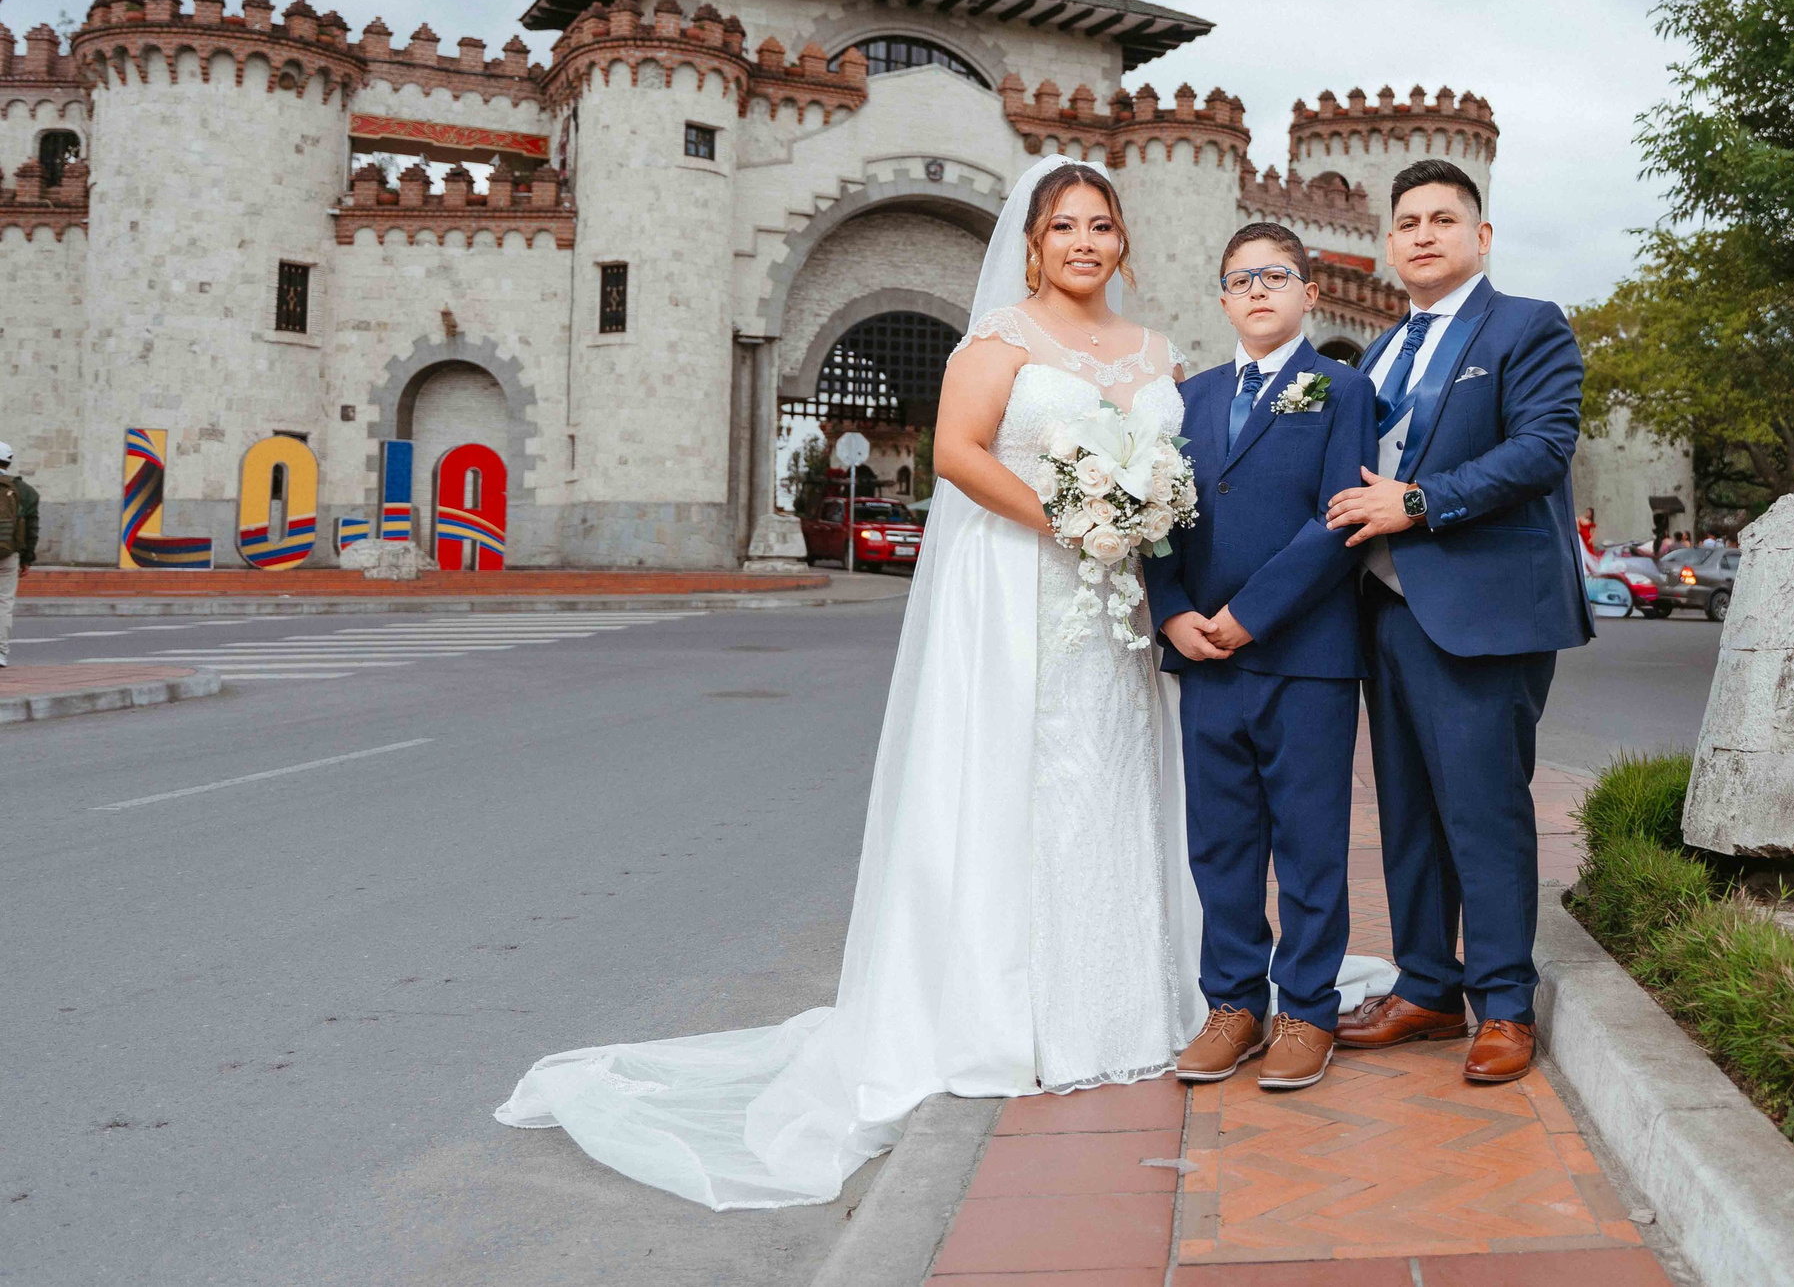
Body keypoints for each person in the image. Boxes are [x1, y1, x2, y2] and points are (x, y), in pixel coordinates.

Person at [495, 159, 1388, 1210]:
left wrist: (1150, 564)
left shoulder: (1165, 359)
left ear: (1125, 242)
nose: (1086, 242)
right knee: (1020, 783)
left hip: (1120, 607)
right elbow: (959, 454)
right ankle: (1014, 1010)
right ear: (1033, 243)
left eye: (1102, 225)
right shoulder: (998, 338)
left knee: (1121, 786)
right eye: (1065, 226)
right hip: (1023, 587)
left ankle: (1148, 1001)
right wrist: (1075, 520)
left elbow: (1192, 498)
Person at [1325, 159, 1592, 1085]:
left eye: (1443, 219)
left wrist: (1420, 503)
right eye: (1408, 222)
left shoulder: (1527, 324)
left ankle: (1504, 1004)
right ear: (1388, 245)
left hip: (1484, 612)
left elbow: (1542, 448)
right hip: (1384, 609)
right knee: (1406, 813)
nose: (1424, 234)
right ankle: (1429, 989)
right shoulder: (1376, 354)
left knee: (1483, 811)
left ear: (1480, 237)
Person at [1144, 222, 1377, 1093]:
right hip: (1204, 656)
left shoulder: (1342, 389)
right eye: (1240, 279)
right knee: (1221, 843)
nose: (1257, 291)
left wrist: (1249, 615)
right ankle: (1234, 1005)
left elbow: (1340, 519)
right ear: (1222, 299)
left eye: (1275, 276)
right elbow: (1155, 516)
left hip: (1305, 656)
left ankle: (1307, 1010)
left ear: (1308, 294)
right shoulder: (1189, 400)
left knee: (1309, 843)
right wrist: (1173, 611)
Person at [0, 442, 34, 668]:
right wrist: (27, 558)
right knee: (4, 601)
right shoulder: (23, 490)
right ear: (9, 461)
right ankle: (0, 652)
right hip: (8, 553)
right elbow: (32, 527)